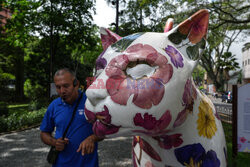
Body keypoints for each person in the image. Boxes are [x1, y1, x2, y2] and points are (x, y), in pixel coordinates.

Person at [40, 68, 102, 167]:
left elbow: (105, 129)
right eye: (58, 87)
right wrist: (55, 142)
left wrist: (92, 138)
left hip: (88, 163)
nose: (62, 91)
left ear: (76, 84)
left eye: (66, 86)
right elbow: (44, 133)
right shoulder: (54, 106)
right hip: (60, 164)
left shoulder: (91, 102)